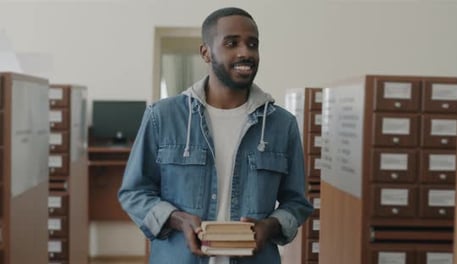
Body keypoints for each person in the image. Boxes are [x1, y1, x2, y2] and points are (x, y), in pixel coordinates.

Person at [118, 7, 313, 264]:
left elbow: (297, 203)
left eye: (252, 44)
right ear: (206, 52)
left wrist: (270, 226)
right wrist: (178, 219)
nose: (245, 52)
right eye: (232, 43)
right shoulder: (162, 116)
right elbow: (134, 192)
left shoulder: (281, 124)